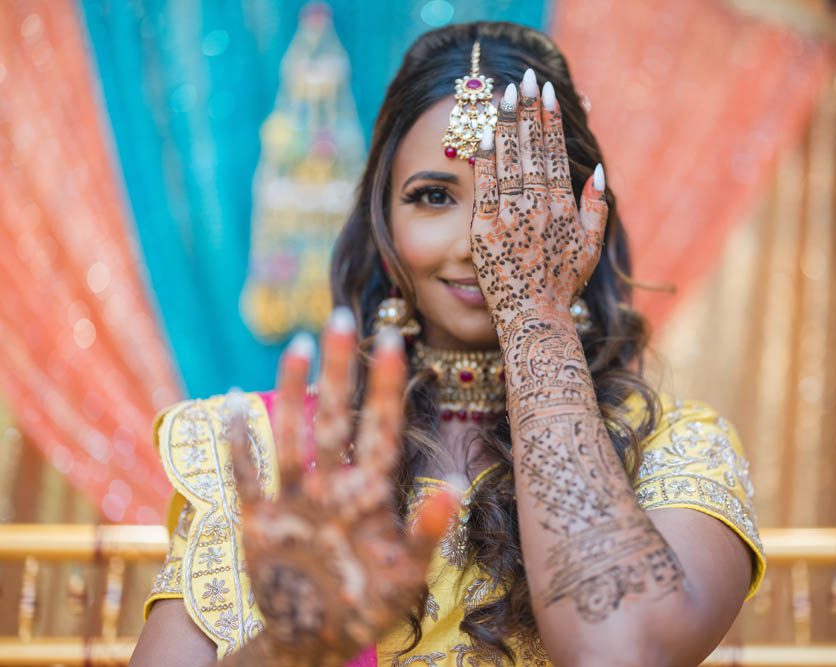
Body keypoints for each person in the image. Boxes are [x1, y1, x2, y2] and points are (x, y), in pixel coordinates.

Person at [130, 21, 765, 667]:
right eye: (434, 196)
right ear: (383, 222)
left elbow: (622, 650)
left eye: (516, 200)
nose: (479, 240)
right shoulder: (268, 451)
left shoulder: (673, 449)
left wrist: (533, 310)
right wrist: (290, 646)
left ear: (580, 214)